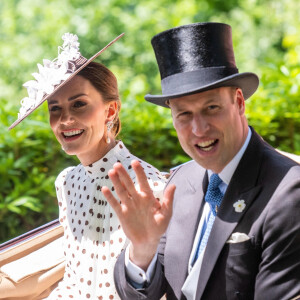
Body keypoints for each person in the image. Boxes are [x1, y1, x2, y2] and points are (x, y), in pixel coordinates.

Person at [102, 22, 300, 299]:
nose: (198, 129)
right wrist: (142, 250)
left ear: (239, 102)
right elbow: (142, 292)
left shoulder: (289, 194)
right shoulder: (181, 181)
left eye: (211, 108)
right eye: (184, 114)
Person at [9, 33, 166, 299]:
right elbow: (74, 281)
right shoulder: (67, 182)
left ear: (110, 110)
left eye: (79, 104)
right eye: (54, 108)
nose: (64, 119)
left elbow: (149, 288)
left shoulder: (149, 187)